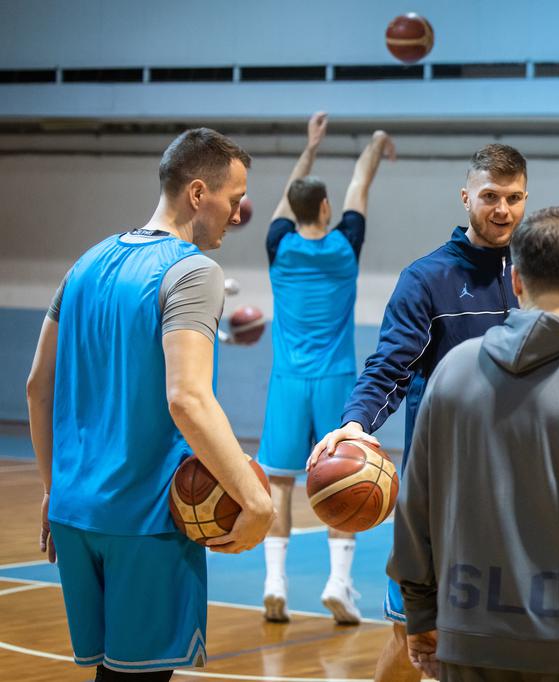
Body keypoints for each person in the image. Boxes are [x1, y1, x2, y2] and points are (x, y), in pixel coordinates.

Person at [25, 128, 274, 681]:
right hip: (145, 521)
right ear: (197, 193)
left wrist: (52, 488)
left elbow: (37, 386)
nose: (237, 216)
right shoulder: (192, 271)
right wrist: (254, 498)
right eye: (234, 201)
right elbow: (188, 397)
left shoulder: (85, 263)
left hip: (74, 515)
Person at [388, 206, 559, 681]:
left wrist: (420, 613)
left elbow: (415, 509)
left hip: (467, 636)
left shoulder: (451, 372)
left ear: (516, 279)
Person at [309, 144, 528, 682]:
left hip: (519, 492)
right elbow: (390, 366)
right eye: (491, 197)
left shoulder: (533, 276)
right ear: (466, 196)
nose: (503, 210)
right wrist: (356, 423)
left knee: (508, 644)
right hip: (441, 497)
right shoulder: (426, 278)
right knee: (415, 636)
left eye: (516, 198)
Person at [258, 112, 395, 624]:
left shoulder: (278, 245)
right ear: (325, 207)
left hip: (288, 381)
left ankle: (274, 581)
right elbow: (361, 179)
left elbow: (289, 194)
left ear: (292, 213)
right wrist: (377, 141)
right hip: (337, 378)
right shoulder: (345, 244)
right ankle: (338, 583)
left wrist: (310, 147)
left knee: (280, 482)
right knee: (348, 475)